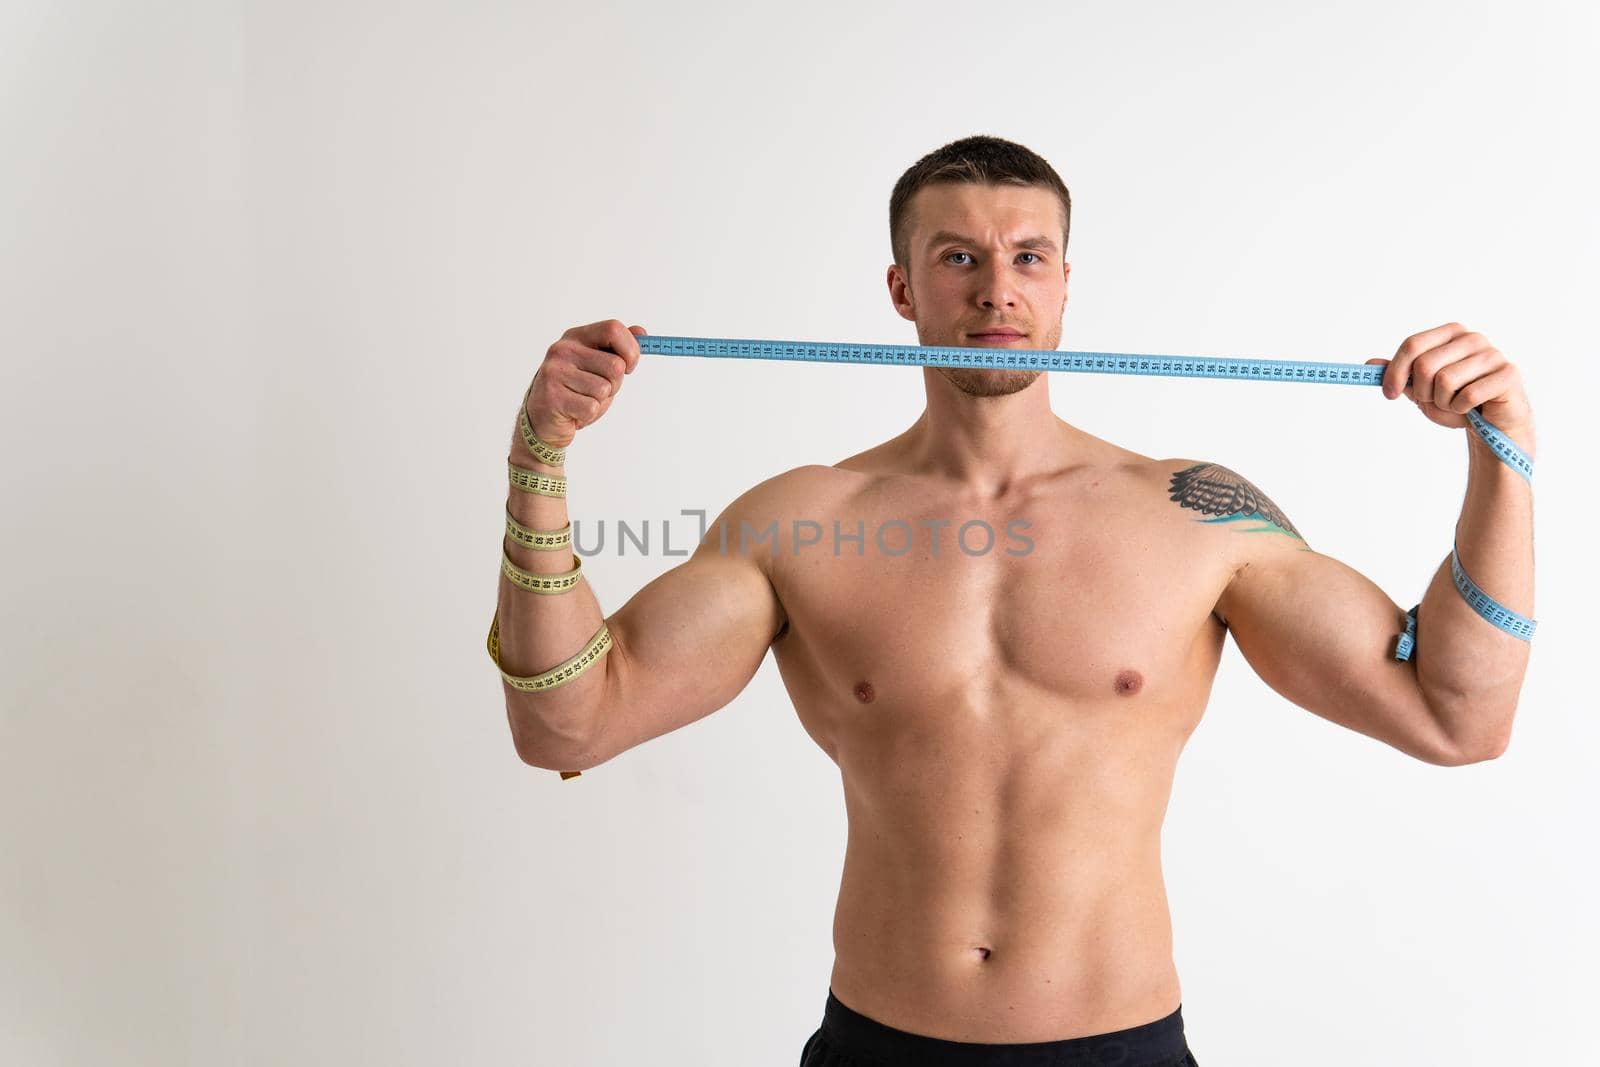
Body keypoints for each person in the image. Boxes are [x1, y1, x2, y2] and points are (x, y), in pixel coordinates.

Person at [490, 134, 1535, 1066]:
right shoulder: (800, 519)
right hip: (877, 1044)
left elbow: (1456, 715)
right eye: (957, 257)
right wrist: (540, 453)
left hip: (1118, 1047)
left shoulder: (1194, 514)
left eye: (1027, 256)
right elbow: (567, 719)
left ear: (1066, 282)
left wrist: (1502, 448)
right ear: (902, 288)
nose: (997, 289)